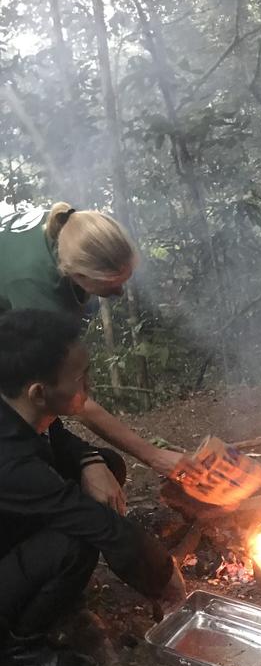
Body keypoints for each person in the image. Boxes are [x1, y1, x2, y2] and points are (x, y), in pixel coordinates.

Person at [0, 309, 186, 666]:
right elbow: (102, 528)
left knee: (106, 467)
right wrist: (164, 576)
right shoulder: (10, 462)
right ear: (38, 391)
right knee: (78, 541)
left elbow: (54, 434)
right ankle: (16, 654)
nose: (90, 383)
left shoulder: (14, 403)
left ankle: (37, 595)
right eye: (81, 378)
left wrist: (89, 460)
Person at [0, 203, 186, 489]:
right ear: (77, 273)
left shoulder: (70, 230)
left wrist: (89, 458)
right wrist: (153, 456)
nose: (119, 293)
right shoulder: (38, 288)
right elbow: (67, 394)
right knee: (42, 478)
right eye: (111, 284)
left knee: (103, 465)